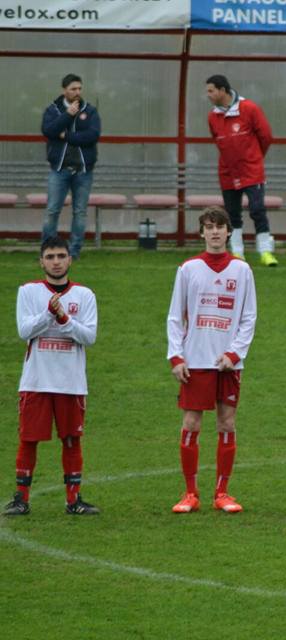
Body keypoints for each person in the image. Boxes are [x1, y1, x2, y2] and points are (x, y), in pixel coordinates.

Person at [167, 207, 257, 514]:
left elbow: (249, 317)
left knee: (226, 422)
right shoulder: (188, 268)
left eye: (220, 227)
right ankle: (190, 493)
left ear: (229, 232)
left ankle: (222, 492)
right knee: (191, 422)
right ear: (202, 232)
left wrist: (235, 353)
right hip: (195, 361)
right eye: (209, 227)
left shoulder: (242, 270)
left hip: (227, 364)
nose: (215, 232)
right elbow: (174, 316)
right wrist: (176, 356)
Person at [4, 237, 99, 516]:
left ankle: (73, 500)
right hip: (36, 380)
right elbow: (24, 331)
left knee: (71, 438)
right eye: (50, 256)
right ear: (41, 261)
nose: (56, 261)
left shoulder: (85, 295)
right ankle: (21, 499)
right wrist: (49, 313)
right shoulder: (29, 291)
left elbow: (89, 336)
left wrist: (63, 320)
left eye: (60, 256)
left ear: (70, 259)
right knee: (29, 438)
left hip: (71, 382)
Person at [205, 74, 278, 267]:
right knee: (231, 214)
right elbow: (217, 140)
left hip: (251, 170)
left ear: (222, 90)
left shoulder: (249, 108)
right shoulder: (213, 116)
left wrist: (253, 157)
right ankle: (237, 253)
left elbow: (266, 136)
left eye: (211, 90)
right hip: (228, 172)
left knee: (257, 210)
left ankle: (265, 252)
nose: (208, 95)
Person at [41, 73, 101, 259]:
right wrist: (68, 115)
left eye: (80, 88)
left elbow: (92, 136)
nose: (77, 92)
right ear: (64, 90)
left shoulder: (89, 111)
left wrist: (66, 136)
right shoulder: (53, 110)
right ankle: (48, 252)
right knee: (52, 211)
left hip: (83, 171)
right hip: (59, 171)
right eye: (73, 89)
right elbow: (49, 131)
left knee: (80, 212)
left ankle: (74, 252)